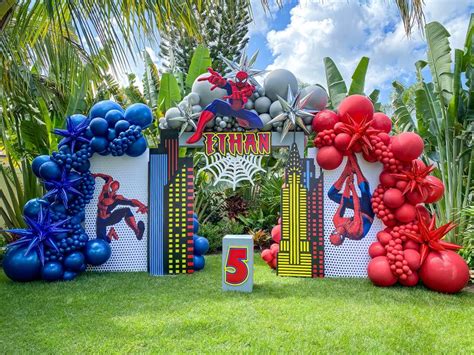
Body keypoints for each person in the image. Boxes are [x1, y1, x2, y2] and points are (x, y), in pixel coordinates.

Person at [186, 67, 263, 144]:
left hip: (240, 112)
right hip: (229, 108)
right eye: (238, 80)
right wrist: (219, 81)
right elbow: (225, 84)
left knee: (258, 122)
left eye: (242, 81)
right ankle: (198, 132)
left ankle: (251, 136)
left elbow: (248, 93)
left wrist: (247, 125)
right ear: (236, 79)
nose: (240, 82)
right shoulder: (231, 86)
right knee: (216, 103)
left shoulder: (248, 89)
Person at [327, 155, 374, 246]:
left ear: (332, 231)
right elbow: (357, 209)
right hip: (368, 213)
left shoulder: (336, 221)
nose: (338, 231)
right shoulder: (354, 230)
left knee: (331, 194)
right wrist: (352, 187)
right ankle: (355, 166)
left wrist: (348, 182)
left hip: (360, 209)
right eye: (340, 236)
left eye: (334, 233)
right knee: (364, 191)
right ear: (343, 237)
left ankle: (346, 172)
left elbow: (343, 203)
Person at [93, 173, 147, 242]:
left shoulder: (117, 198)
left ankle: (137, 231)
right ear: (109, 187)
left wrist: (141, 205)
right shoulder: (105, 191)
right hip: (101, 221)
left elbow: (130, 201)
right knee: (102, 242)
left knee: (127, 210)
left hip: (109, 218)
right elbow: (108, 177)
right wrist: (96, 175)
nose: (112, 193)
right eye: (111, 190)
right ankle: (111, 233)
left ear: (116, 191)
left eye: (114, 191)